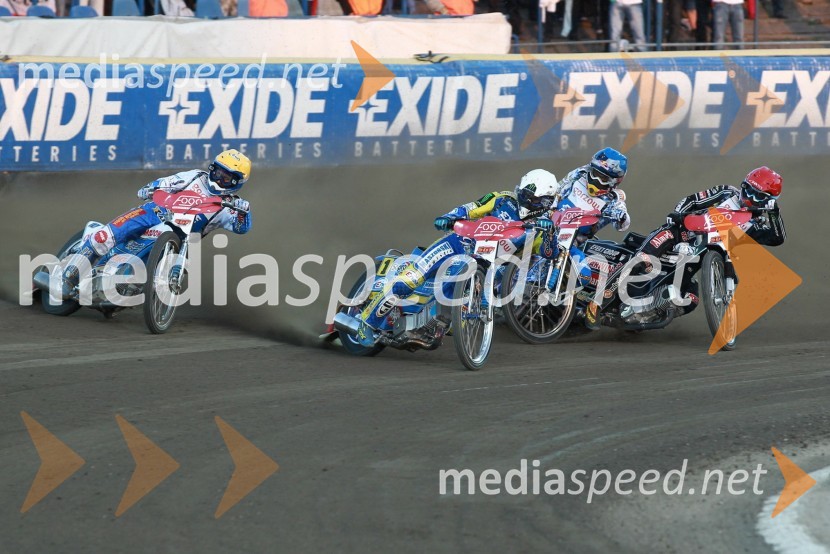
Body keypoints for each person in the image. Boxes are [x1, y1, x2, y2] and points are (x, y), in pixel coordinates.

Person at [352, 169, 559, 346]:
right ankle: (367, 322)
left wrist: (550, 234)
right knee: (410, 280)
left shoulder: (543, 225)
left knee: (456, 311)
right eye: (524, 195)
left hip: (489, 267)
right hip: (458, 243)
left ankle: (436, 325)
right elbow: (471, 208)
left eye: (533, 199)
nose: (527, 200)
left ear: (545, 202)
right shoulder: (502, 198)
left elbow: (550, 254)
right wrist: (449, 217)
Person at [50, 149, 253, 300]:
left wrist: (245, 211)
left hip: (181, 239)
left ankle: (125, 291)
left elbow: (241, 228)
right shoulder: (195, 176)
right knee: (104, 237)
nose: (219, 177)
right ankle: (68, 277)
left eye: (227, 176)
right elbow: (168, 182)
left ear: (237, 182)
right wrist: (151, 188)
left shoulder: (230, 206)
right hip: (153, 213)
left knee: (151, 272)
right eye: (218, 171)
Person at [634, 166, 786, 315]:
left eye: (758, 196)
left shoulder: (756, 223)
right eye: (748, 189)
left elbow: (777, 238)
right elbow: (692, 200)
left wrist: (774, 213)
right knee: (663, 238)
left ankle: (647, 314)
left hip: (694, 261)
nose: (749, 198)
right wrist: (677, 215)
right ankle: (637, 260)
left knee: (691, 300)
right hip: (682, 235)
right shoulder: (726, 192)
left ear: (769, 201)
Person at [544, 147, 631, 330]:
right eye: (595, 173)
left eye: (604, 178)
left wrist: (620, 216)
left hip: (573, 243)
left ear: (615, 181)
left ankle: (573, 307)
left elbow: (623, 225)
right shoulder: (578, 174)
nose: (596, 180)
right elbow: (557, 191)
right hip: (549, 230)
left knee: (584, 276)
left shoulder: (614, 199)